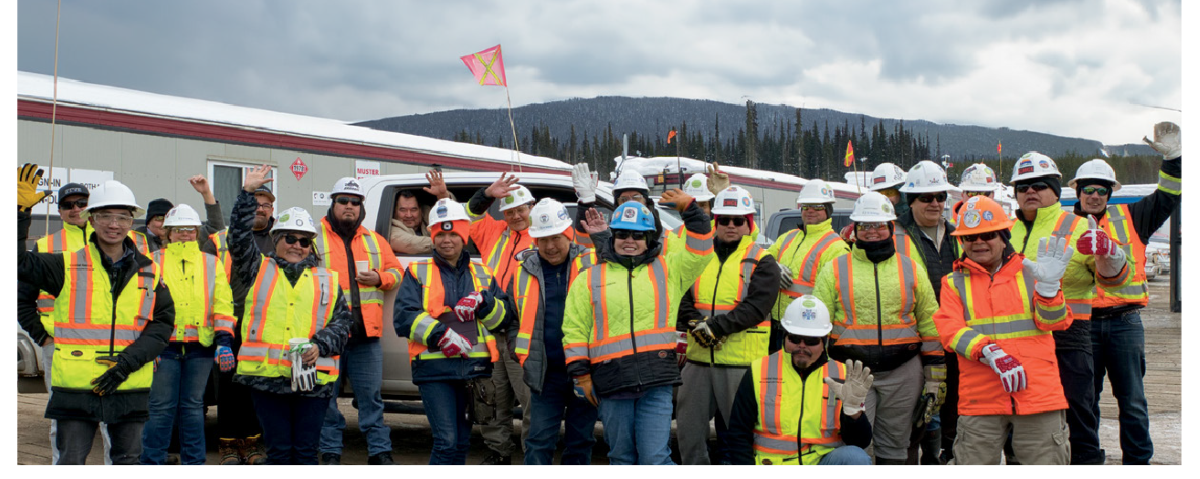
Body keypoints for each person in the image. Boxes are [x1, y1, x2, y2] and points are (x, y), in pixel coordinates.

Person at [16, 166, 176, 466]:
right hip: (76, 388)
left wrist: (127, 363)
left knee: (127, 460)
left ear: (132, 222)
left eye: (122, 217)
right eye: (104, 216)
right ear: (92, 219)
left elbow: (162, 324)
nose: (113, 224)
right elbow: (20, 264)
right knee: (71, 460)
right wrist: (19, 214)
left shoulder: (149, 271)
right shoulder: (63, 265)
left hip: (128, 384)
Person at [563, 189, 713, 467]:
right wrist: (581, 375)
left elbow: (702, 249)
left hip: (656, 382)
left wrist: (690, 209)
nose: (629, 240)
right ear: (613, 236)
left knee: (655, 457)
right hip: (611, 381)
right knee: (621, 458)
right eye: (622, 234)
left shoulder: (669, 270)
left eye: (637, 235)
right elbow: (574, 330)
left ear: (648, 238)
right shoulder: (590, 277)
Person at [218, 165, 353, 467]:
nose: (297, 245)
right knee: (279, 454)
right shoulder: (258, 268)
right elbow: (238, 238)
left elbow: (343, 322)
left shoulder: (327, 279)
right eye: (290, 238)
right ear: (276, 238)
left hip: (313, 381)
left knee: (305, 454)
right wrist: (246, 194)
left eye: (304, 241)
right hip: (267, 381)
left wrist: (321, 344)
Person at [1066, 122, 1182, 466]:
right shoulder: (1061, 225)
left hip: (1124, 324)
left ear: (1110, 193)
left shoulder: (1134, 218)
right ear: (1077, 190)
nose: (1095, 195)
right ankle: (1087, 459)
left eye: (1102, 190)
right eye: (1089, 189)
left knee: (1132, 400)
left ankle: (1137, 461)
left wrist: (1175, 159)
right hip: (1080, 325)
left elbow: (1169, 195)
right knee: (1083, 401)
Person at [1008, 151, 1135, 465]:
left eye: (1039, 185)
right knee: (1021, 421)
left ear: (1055, 189)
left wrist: (1110, 254)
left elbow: (1117, 280)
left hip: (1069, 338)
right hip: (1020, 340)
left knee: (1078, 418)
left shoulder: (1077, 226)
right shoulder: (1007, 231)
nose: (1030, 192)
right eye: (1022, 187)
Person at [934, 196, 1075, 466]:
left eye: (986, 235)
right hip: (981, 397)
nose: (978, 243)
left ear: (1003, 236)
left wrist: (1049, 291)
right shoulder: (953, 283)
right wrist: (989, 350)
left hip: (1037, 395)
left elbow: (1056, 322)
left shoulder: (1034, 273)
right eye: (969, 238)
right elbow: (950, 330)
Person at [812, 192, 943, 466]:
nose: (872, 231)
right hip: (852, 372)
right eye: (865, 226)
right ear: (855, 230)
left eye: (879, 225)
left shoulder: (911, 268)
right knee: (855, 443)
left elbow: (930, 323)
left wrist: (935, 377)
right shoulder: (834, 269)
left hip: (903, 372)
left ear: (891, 228)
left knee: (896, 446)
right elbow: (817, 324)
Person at [394, 198, 510, 467]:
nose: (447, 240)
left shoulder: (483, 273)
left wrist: (486, 303)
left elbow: (503, 320)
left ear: (464, 235)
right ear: (432, 237)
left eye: (453, 234)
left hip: (474, 370)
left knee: (461, 443)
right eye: (440, 234)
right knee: (446, 441)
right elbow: (403, 317)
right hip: (435, 371)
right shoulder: (417, 271)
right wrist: (440, 334)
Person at [676, 186, 782, 467]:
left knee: (740, 439)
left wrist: (715, 328)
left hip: (740, 365)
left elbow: (757, 307)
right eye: (724, 219)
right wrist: (697, 324)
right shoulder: (699, 255)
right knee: (689, 435)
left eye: (739, 220)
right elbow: (680, 295)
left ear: (749, 222)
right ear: (716, 221)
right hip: (697, 362)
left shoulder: (763, 260)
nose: (731, 226)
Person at [15, 182, 114, 466]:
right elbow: (22, 299)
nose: (75, 209)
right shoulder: (46, 245)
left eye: (81, 203)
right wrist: (42, 337)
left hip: (109, 346)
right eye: (68, 205)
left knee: (111, 420)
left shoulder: (116, 239)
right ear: (59, 211)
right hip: (60, 348)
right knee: (64, 420)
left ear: (92, 208)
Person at [314, 177, 404, 467]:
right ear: (333, 204)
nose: (349, 207)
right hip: (327, 337)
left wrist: (381, 278)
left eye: (355, 202)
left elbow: (397, 271)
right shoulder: (313, 237)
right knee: (325, 399)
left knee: (371, 399)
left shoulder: (375, 240)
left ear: (361, 207)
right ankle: (330, 452)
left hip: (366, 335)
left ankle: (379, 453)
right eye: (343, 201)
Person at [503, 199, 600, 466]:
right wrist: (519, 352)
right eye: (542, 239)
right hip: (544, 375)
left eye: (556, 237)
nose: (550, 246)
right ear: (534, 240)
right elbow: (512, 319)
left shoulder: (591, 264)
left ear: (568, 232)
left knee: (580, 442)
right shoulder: (523, 271)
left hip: (584, 373)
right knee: (538, 442)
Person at [727, 295, 875, 467]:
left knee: (856, 457)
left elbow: (860, 442)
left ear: (824, 341)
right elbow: (738, 433)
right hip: (771, 463)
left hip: (820, 461)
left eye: (811, 340)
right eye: (795, 339)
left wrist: (854, 413)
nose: (802, 346)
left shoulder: (842, 376)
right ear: (785, 336)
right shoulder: (760, 369)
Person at [141, 205, 236, 466]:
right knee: (160, 408)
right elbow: (141, 306)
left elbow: (223, 303)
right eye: (179, 229)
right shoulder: (153, 261)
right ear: (168, 233)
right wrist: (146, 348)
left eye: (190, 229)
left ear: (197, 232)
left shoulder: (211, 262)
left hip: (200, 348)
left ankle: (195, 462)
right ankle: (152, 461)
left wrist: (224, 342)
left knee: (193, 409)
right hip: (164, 347)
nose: (185, 234)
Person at [466, 173, 535, 466]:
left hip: (525, 330)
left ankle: (534, 452)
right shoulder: (492, 232)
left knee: (532, 398)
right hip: (491, 328)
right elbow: (468, 216)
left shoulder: (546, 233)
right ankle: (498, 451)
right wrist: (487, 194)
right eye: (509, 211)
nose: (516, 216)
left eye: (521, 209)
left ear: (532, 207)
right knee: (491, 397)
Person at [895, 161, 960, 465]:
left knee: (953, 409)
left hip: (956, 336)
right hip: (912, 338)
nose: (935, 203)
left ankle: (944, 457)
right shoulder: (893, 234)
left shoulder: (961, 235)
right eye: (926, 197)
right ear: (911, 200)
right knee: (915, 412)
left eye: (941, 196)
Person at [209, 183, 274, 466]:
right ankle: (228, 445)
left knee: (255, 386)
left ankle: (252, 445)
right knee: (228, 386)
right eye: (255, 203)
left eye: (266, 204)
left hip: (264, 326)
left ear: (272, 210)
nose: (260, 208)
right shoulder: (221, 239)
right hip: (228, 323)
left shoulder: (281, 238)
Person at [769, 179, 850, 342]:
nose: (810, 211)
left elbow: (837, 300)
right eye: (806, 206)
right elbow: (761, 259)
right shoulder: (788, 237)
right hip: (777, 325)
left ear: (828, 210)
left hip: (806, 331)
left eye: (817, 207)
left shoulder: (837, 247)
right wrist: (772, 267)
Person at [134, 175, 225, 253]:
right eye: (159, 218)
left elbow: (216, 228)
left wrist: (206, 193)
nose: (164, 223)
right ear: (148, 223)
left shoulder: (187, 235)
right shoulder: (135, 241)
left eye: (168, 219)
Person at [389, 169, 454, 255]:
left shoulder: (428, 216)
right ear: (395, 211)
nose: (408, 215)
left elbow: (452, 215)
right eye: (403, 210)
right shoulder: (391, 229)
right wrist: (450, 242)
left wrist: (443, 196)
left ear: (420, 210)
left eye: (413, 209)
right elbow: (411, 244)